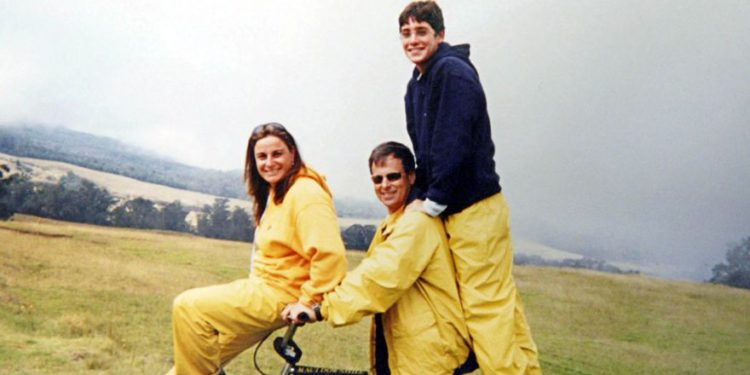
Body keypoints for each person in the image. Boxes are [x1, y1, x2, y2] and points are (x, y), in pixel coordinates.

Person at [397, 2, 541, 374]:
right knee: (500, 303)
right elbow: (423, 152)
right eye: (406, 34)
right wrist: (419, 197)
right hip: (457, 210)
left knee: (485, 307)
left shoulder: (452, 73)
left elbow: (454, 142)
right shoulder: (417, 86)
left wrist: (433, 200)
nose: (413, 40)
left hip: (474, 208)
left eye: (421, 32)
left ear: (440, 35)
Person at [166, 122, 348, 374]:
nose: (269, 162)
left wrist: (308, 301)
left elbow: (330, 256)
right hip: (262, 289)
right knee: (186, 366)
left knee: (188, 307)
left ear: (293, 154)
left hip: (279, 295)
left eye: (277, 154)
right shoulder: (277, 191)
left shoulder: (306, 193)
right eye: (261, 156)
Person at [282, 141, 474, 375]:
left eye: (393, 177)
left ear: (411, 177)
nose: (385, 185)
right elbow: (368, 270)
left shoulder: (417, 223)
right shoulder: (394, 221)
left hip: (428, 354)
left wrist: (322, 309)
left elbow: (378, 277)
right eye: (377, 179)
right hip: (407, 346)